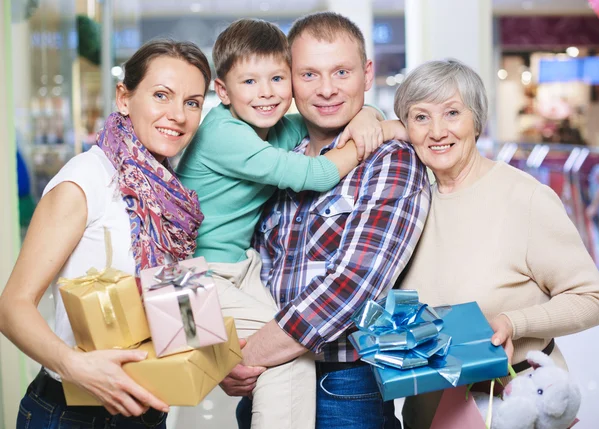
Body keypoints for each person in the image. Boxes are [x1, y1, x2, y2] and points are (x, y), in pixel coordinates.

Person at [176, 18, 406, 429]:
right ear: (223, 91)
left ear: (367, 74)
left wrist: (371, 117)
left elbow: (352, 285)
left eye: (277, 78)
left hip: (341, 377)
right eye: (309, 74)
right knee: (288, 365)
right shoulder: (232, 135)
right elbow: (314, 175)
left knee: (288, 360)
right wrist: (217, 358)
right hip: (197, 276)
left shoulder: (280, 132)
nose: (266, 92)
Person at [0, 39, 211, 429]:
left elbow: (180, 314)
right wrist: (74, 365)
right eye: (161, 95)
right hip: (72, 414)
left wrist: (215, 361)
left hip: (146, 408)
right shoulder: (87, 178)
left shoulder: (173, 193)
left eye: (192, 102)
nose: (177, 115)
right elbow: (11, 307)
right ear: (124, 98)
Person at [392, 59, 599, 429]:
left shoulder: (525, 198)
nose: (437, 131)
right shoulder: (407, 203)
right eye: (420, 117)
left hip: (513, 405)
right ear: (406, 128)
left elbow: (591, 298)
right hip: (427, 409)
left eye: (452, 113)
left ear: (477, 120)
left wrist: (513, 323)